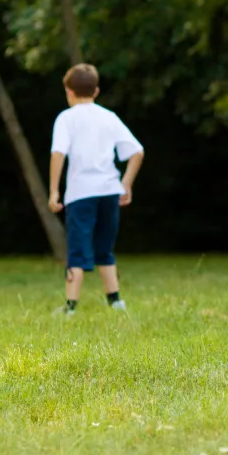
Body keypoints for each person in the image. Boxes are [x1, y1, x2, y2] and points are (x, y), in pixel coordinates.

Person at [48, 63, 144, 316]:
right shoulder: (108, 117)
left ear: (68, 91)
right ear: (97, 90)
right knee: (105, 248)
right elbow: (136, 151)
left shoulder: (66, 118)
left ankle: (70, 306)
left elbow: (58, 153)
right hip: (109, 190)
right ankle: (115, 301)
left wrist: (54, 190)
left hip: (80, 193)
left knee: (77, 249)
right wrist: (126, 184)